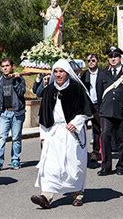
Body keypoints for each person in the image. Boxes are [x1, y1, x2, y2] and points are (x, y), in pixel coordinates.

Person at [31, 59, 95, 209]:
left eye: (61, 71)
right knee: (50, 165)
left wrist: (77, 122)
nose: (58, 74)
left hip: (72, 133)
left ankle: (77, 193)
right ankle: (46, 196)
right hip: (53, 133)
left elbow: (86, 110)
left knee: (74, 164)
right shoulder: (48, 91)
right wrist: (43, 137)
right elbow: (44, 117)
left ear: (67, 73)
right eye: (56, 71)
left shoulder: (76, 89)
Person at [96, 47, 123, 176]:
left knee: (122, 139)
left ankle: (121, 165)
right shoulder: (102, 73)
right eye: (110, 57)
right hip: (106, 111)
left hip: (122, 111)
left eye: (115, 56)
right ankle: (106, 166)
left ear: (120, 58)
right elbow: (99, 93)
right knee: (105, 137)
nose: (113, 59)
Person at [0, 58, 26, 171]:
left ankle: (15, 161)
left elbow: (21, 92)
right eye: (3, 66)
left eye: (7, 65)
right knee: (1, 137)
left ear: (12, 66)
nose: (5, 68)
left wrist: (16, 80)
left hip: (17, 112)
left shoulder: (19, 78)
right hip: (4, 113)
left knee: (16, 138)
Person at [80, 53, 101, 162]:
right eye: (89, 61)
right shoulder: (84, 74)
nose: (91, 62)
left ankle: (96, 151)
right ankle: (82, 150)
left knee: (97, 128)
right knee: (81, 127)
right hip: (86, 104)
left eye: (93, 60)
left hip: (98, 104)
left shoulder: (103, 74)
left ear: (97, 61)